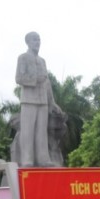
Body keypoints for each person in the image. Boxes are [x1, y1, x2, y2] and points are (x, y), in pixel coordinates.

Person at [15, 31, 65, 167]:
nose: (38, 42)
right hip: (29, 99)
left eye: (39, 40)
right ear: (28, 42)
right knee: (27, 130)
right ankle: (27, 159)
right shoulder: (23, 58)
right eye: (35, 40)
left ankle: (43, 158)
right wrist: (35, 80)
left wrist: (52, 102)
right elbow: (19, 78)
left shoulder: (42, 61)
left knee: (41, 131)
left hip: (43, 100)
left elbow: (47, 82)